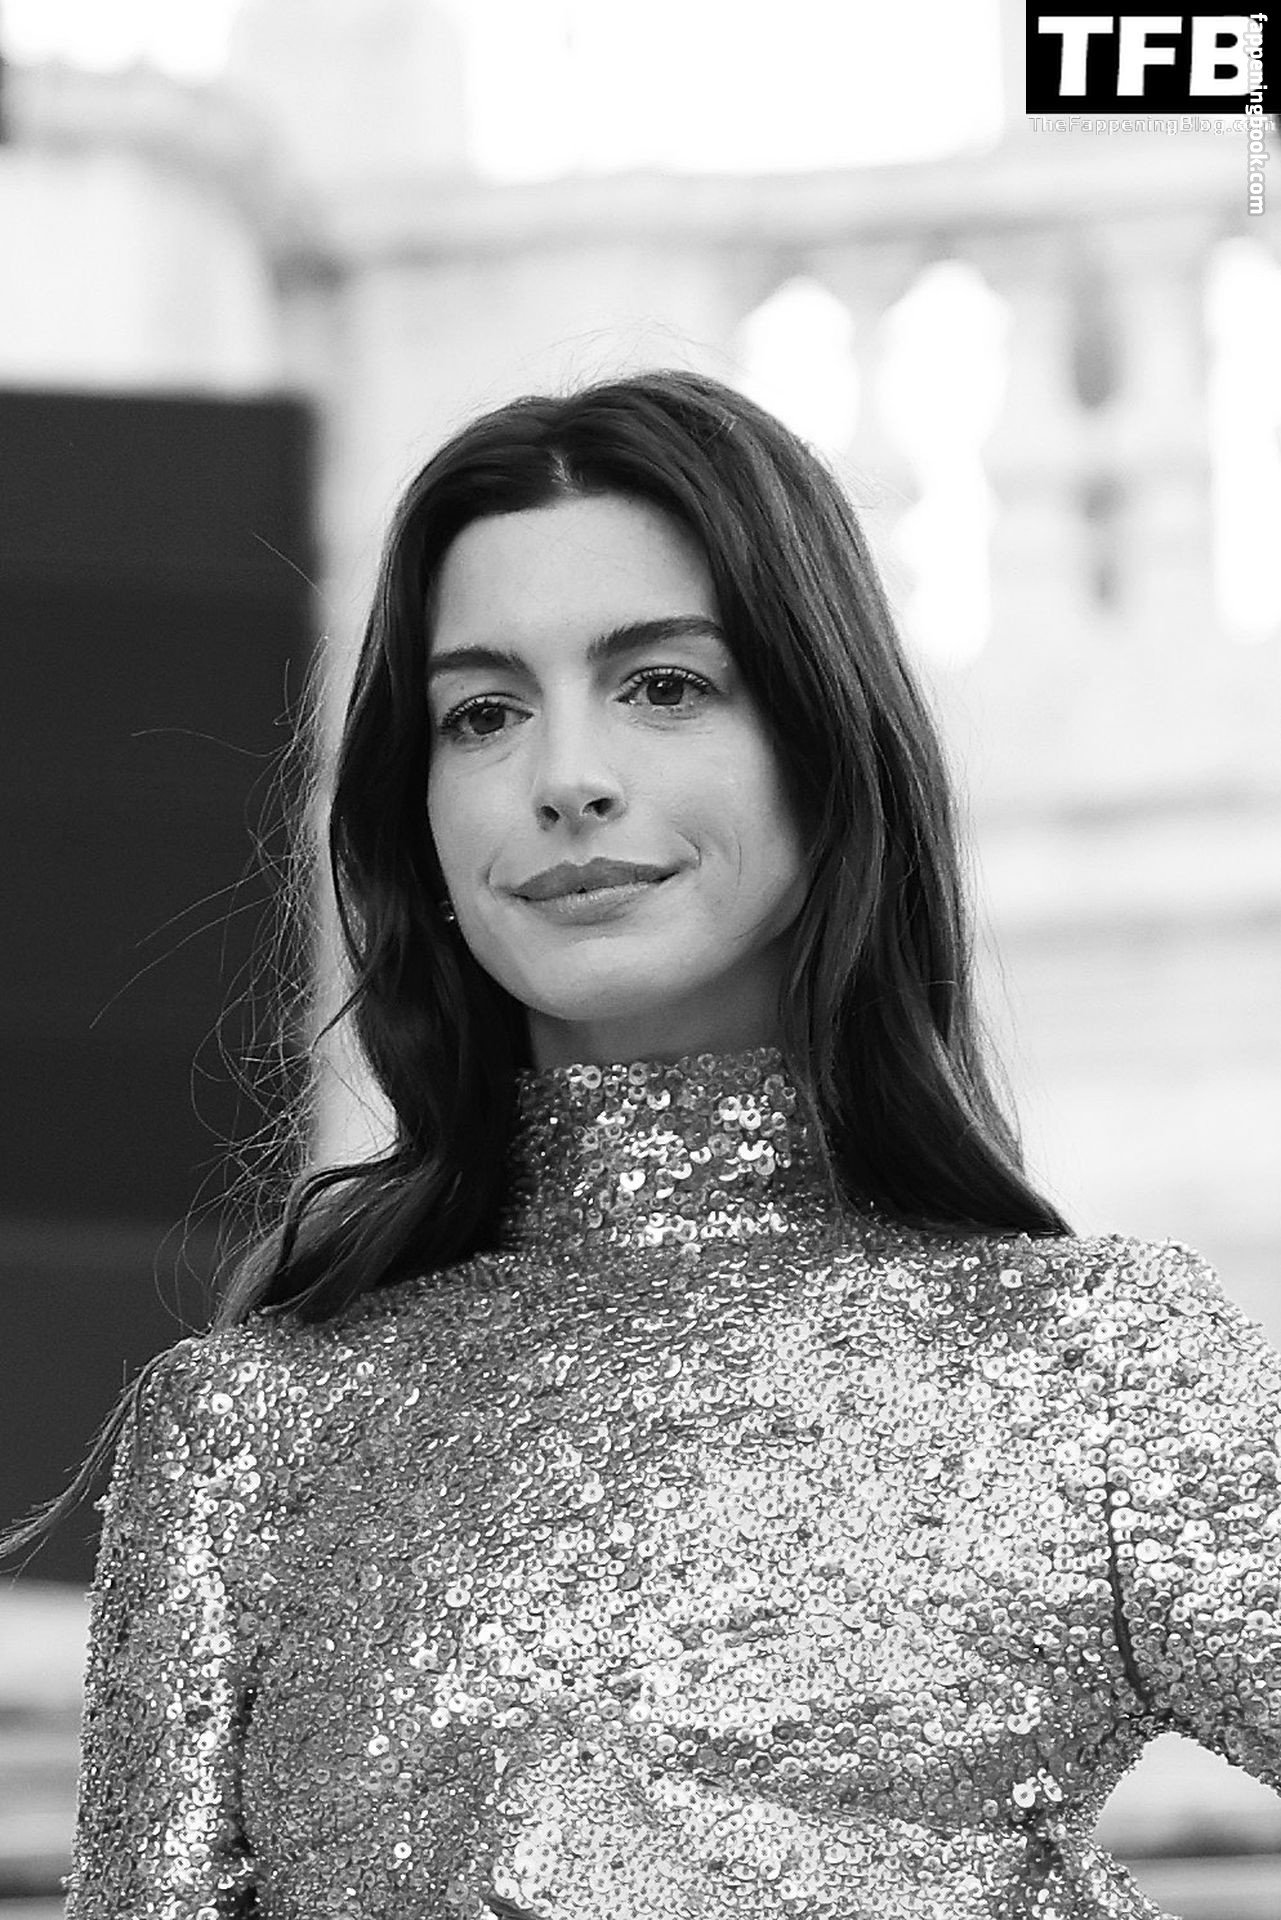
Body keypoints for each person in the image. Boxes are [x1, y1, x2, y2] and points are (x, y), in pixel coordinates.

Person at [51, 370, 1281, 1917]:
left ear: (825, 752)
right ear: (415, 817)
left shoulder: (1091, 1370)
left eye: (664, 685)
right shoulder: (249, 1429)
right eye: (483, 713)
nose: (566, 777)